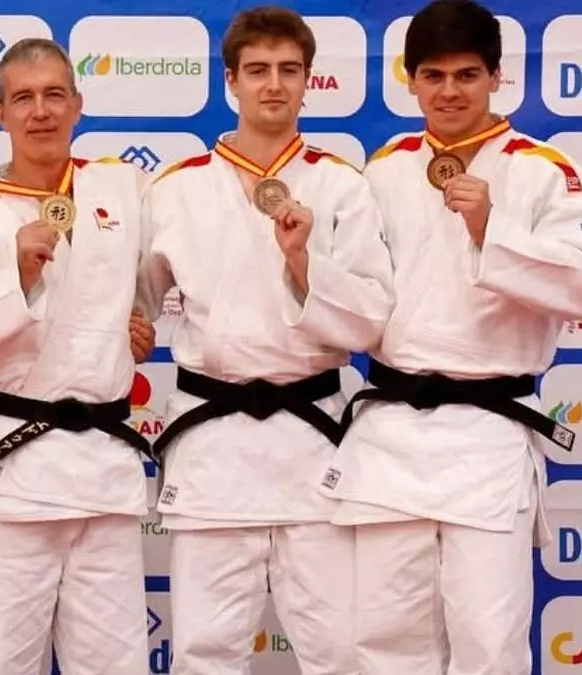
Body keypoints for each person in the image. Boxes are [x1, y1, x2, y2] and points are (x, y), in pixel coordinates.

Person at [319, 1, 582, 673]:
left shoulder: (549, 171)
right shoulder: (384, 169)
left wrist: (491, 227)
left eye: (466, 75)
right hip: (391, 432)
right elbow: (357, 289)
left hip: (487, 434)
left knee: (489, 640)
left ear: (497, 78)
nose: (449, 92)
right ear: (410, 80)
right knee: (384, 641)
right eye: (433, 76)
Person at [135, 7, 393, 674]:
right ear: (231, 80)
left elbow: (370, 320)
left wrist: (304, 265)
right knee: (204, 651)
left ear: (309, 80)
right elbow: (134, 306)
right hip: (213, 445)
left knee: (339, 649)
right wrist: (127, 330)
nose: (273, 84)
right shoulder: (176, 189)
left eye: (288, 70)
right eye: (257, 70)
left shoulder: (341, 186)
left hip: (313, 440)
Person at [0, 37, 157, 675]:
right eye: (23, 98)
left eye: (55, 94)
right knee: (5, 661)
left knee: (116, 664)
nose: (41, 111)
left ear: (78, 104)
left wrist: (136, 323)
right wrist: (18, 279)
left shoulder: (122, 190)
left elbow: (159, 275)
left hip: (104, 466)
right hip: (17, 467)